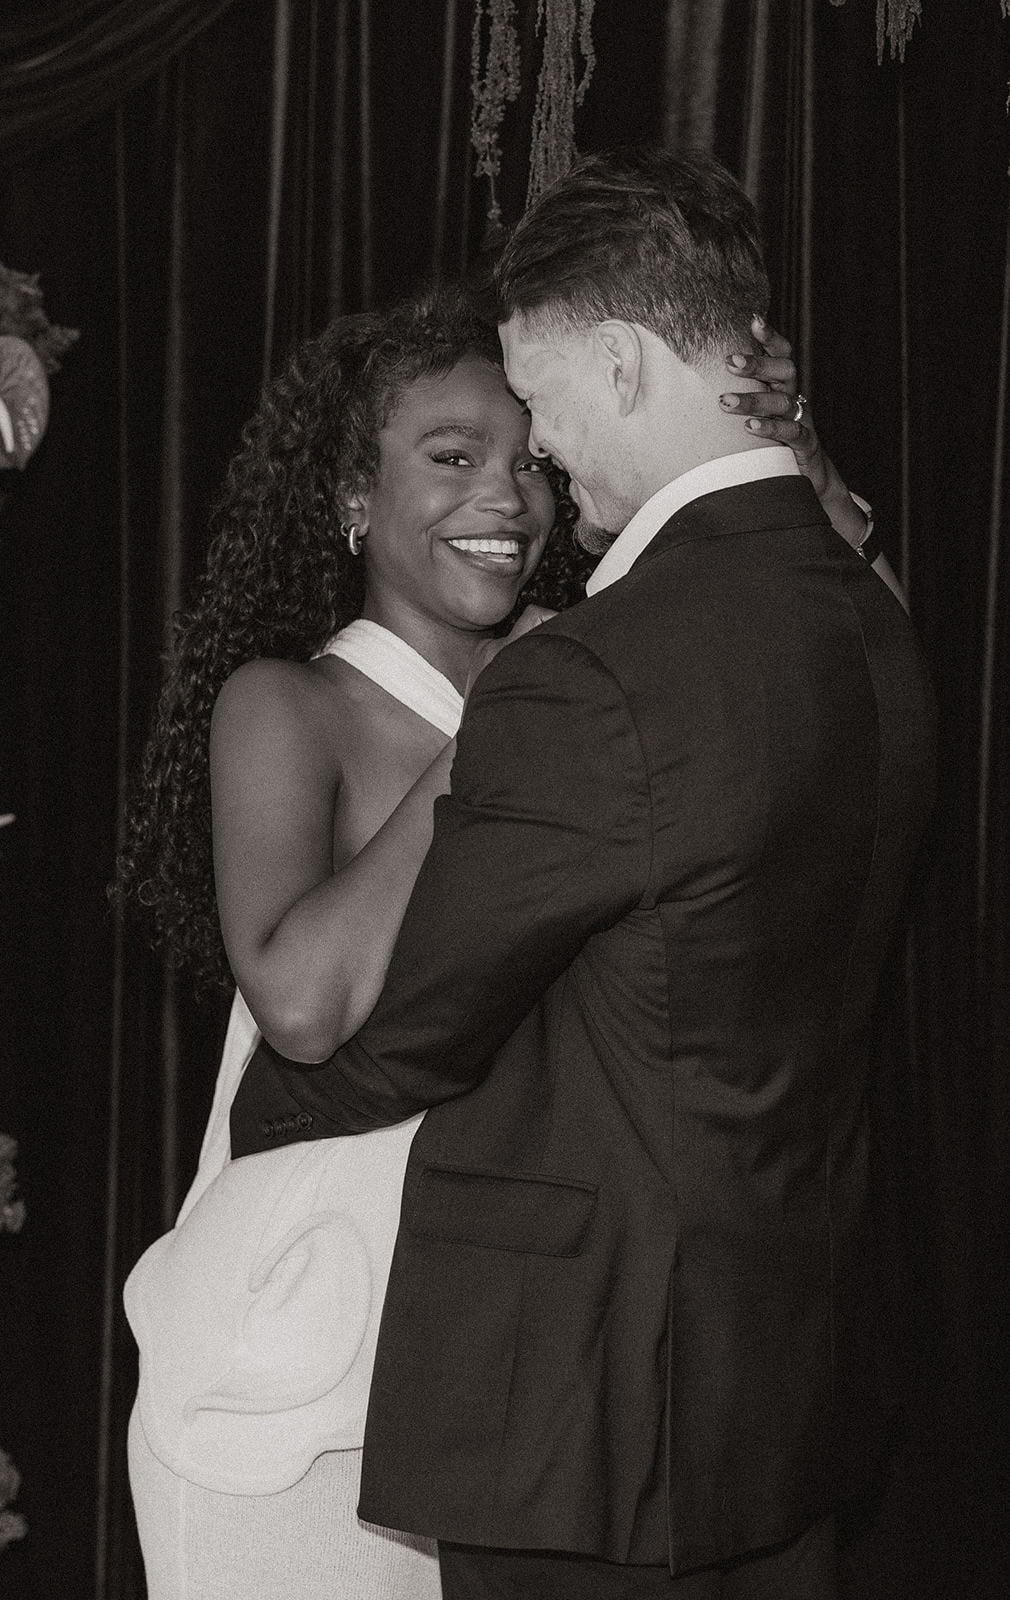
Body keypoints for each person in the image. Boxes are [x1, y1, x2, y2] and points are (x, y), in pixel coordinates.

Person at [228, 149, 937, 1600]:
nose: (541, 463)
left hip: (592, 1420)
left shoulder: (599, 671)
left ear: (619, 365)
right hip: (783, 1380)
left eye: (543, 413)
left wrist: (252, 1130)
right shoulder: (879, 632)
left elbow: (415, 1021)